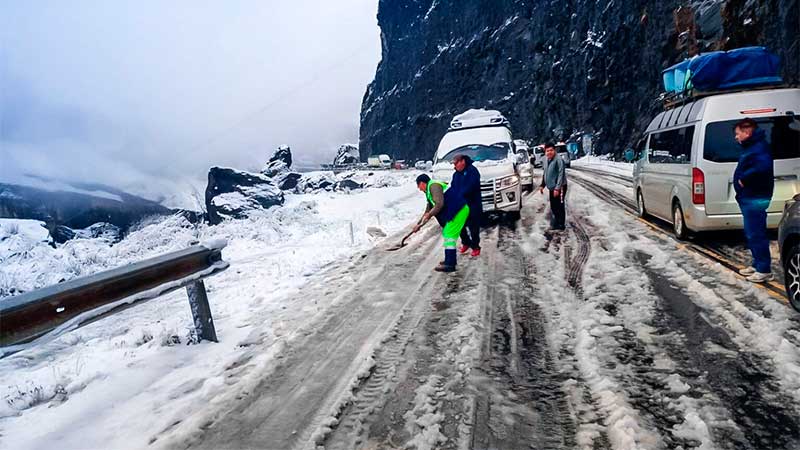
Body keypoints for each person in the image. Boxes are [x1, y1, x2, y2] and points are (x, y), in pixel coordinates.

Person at [733, 118, 774, 283]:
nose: (736, 137)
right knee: (752, 232)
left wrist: (745, 178)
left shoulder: (758, 147)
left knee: (756, 232)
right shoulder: (752, 146)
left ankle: (764, 269)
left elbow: (763, 167)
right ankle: (757, 264)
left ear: (747, 131)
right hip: (750, 195)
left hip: (755, 196)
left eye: (737, 133)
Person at [412, 174, 470, 272]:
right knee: (451, 232)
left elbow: (439, 204)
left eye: (418, 186)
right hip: (457, 210)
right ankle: (452, 257)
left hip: (458, 210)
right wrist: (419, 224)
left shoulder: (433, 186)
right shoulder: (429, 191)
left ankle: (450, 264)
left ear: (422, 183)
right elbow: (428, 210)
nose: (419, 189)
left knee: (449, 234)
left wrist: (429, 215)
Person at [450, 154, 482, 257]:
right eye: (454, 164)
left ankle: (476, 246)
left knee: (473, 227)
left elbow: (471, 187)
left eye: (456, 163)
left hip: (472, 204)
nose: (455, 166)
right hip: (460, 205)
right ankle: (466, 242)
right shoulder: (455, 175)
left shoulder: (472, 171)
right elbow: (453, 187)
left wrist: (460, 194)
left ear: (462, 161)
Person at [538, 142, 567, 231]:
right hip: (552, 187)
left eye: (551, 150)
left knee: (559, 205)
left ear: (554, 150)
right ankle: (556, 221)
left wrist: (557, 188)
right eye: (547, 151)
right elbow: (545, 173)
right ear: (545, 151)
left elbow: (561, 174)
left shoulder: (558, 160)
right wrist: (542, 185)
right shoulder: (546, 160)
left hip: (560, 187)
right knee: (553, 205)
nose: (549, 152)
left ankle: (561, 224)